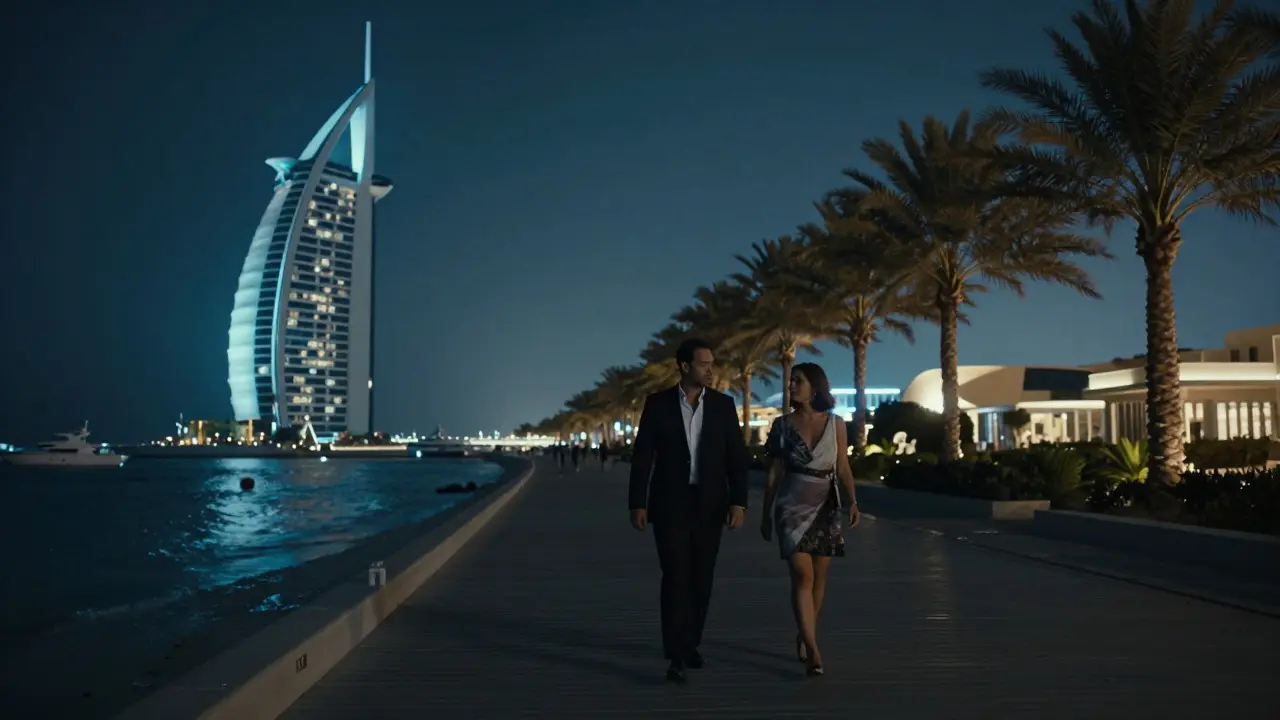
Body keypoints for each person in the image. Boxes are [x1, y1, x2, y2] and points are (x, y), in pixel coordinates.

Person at [628, 338, 750, 684]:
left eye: (712, 363)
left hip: (710, 504)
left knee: (701, 578)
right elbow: (642, 457)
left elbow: (736, 461)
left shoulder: (724, 407)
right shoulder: (658, 405)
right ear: (684, 367)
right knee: (676, 575)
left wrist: (738, 502)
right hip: (669, 503)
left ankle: (690, 641)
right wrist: (638, 502)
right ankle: (677, 652)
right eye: (703, 364)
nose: (710, 369)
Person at [759, 363, 860, 677]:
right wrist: (765, 512)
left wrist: (853, 500)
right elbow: (774, 472)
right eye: (790, 381)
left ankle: (806, 633)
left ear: (815, 386)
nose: (791, 386)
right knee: (802, 576)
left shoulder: (836, 424)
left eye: (797, 381)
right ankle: (814, 649)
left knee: (820, 576)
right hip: (791, 504)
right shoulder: (782, 425)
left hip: (826, 503)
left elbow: (842, 466)